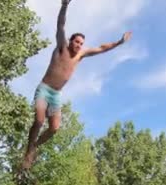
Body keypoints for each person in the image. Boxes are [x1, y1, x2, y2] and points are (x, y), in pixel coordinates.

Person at [21, 0, 132, 170]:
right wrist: (64, 5)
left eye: (81, 43)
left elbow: (102, 48)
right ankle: (28, 152)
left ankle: (36, 146)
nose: (79, 45)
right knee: (39, 120)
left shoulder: (81, 54)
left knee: (54, 128)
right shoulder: (61, 48)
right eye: (77, 42)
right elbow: (60, 25)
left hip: (56, 95)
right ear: (70, 41)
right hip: (44, 89)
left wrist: (118, 42)